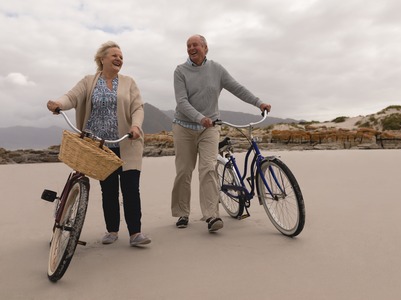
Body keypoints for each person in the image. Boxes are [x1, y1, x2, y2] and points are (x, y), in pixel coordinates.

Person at [47, 41, 151, 247]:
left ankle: (135, 233)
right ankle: (112, 230)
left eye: (121, 56)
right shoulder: (89, 81)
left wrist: (136, 126)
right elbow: (72, 96)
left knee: (131, 189)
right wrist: (58, 103)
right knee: (109, 190)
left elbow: (138, 108)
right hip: (99, 147)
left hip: (126, 144)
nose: (119, 59)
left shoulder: (129, 82)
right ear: (102, 59)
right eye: (114, 55)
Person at [171, 34, 271, 232]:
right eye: (188, 46)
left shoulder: (216, 69)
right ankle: (182, 212)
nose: (192, 48)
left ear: (205, 48)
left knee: (208, 168)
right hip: (184, 127)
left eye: (196, 45)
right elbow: (182, 101)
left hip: (210, 128)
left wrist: (259, 102)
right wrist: (200, 118)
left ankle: (211, 216)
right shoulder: (180, 71)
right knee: (184, 171)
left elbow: (237, 88)